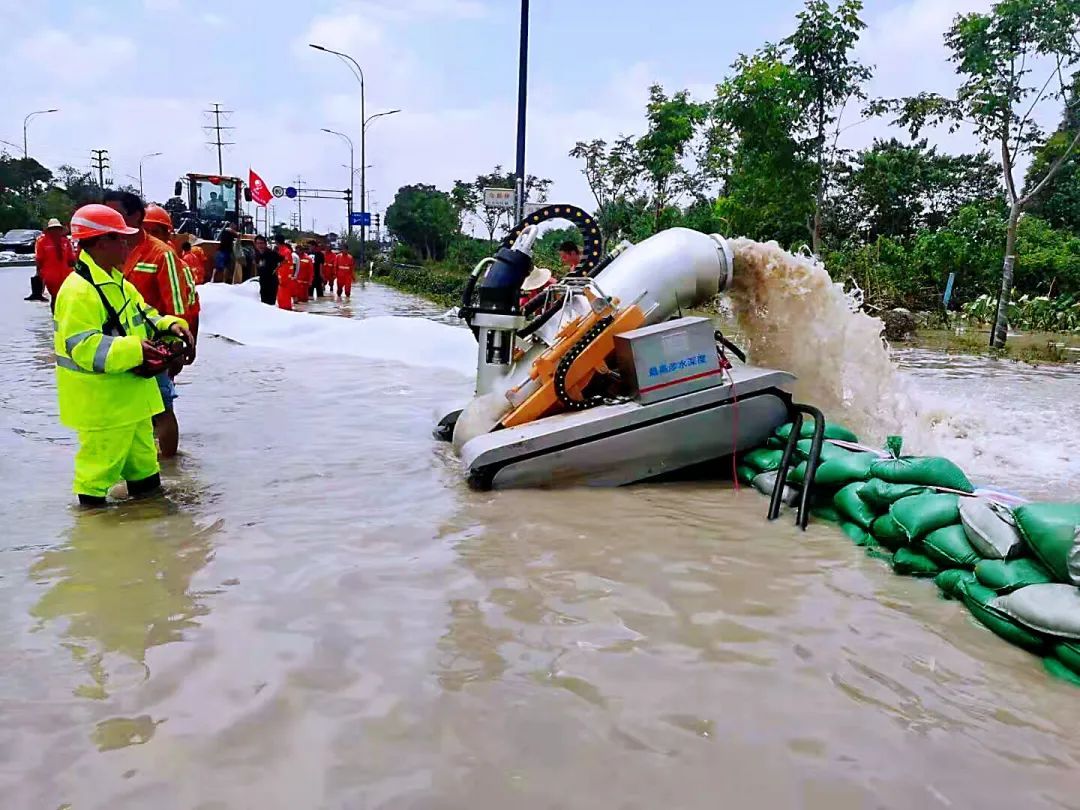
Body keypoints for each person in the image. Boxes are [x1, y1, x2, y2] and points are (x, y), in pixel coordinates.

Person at [52, 204, 192, 507]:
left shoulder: (117, 282)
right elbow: (84, 347)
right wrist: (136, 349)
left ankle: (146, 535)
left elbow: (145, 315)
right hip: (104, 408)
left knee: (146, 475)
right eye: (121, 239)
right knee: (95, 482)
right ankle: (95, 543)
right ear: (103, 242)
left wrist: (172, 326)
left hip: (132, 403)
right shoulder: (78, 291)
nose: (128, 244)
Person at [103, 190, 192, 459]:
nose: (110, 220)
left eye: (116, 214)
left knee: (161, 409)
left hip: (153, 350)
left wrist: (176, 349)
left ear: (136, 217)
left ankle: (169, 467)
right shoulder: (107, 251)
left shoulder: (161, 255)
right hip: (118, 350)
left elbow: (177, 307)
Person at [143, 204, 200, 341]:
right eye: (145, 231)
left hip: (160, 336)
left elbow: (189, 309)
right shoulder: (125, 258)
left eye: (155, 232)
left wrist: (184, 341)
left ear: (167, 234)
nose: (149, 237)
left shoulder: (175, 263)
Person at [35, 218, 76, 309]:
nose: (56, 231)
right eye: (53, 229)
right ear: (49, 230)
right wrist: (39, 274)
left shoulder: (65, 242)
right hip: (50, 276)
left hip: (66, 274)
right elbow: (39, 259)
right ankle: (56, 317)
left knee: (66, 297)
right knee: (55, 297)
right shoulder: (42, 242)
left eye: (57, 228)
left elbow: (71, 258)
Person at [253, 235, 282, 305]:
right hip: (263, 283)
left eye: (262, 243)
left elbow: (283, 261)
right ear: (255, 244)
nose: (260, 245)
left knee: (270, 305)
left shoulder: (272, 254)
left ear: (265, 244)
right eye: (258, 243)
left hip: (272, 283)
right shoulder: (257, 255)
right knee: (263, 304)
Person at [274, 235, 295, 310]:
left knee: (285, 295)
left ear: (277, 242)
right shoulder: (281, 250)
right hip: (281, 276)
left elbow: (285, 263)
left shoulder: (286, 251)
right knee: (281, 295)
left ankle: (286, 309)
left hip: (285, 277)